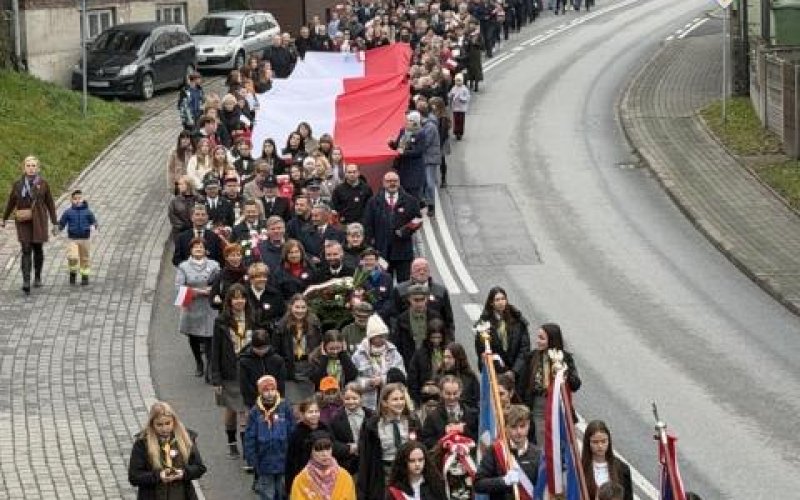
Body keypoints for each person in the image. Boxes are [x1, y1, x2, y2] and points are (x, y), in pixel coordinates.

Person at [1, 155, 58, 294]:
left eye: (33, 166)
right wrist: (4, 218)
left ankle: (37, 276)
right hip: (23, 221)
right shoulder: (18, 184)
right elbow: (11, 202)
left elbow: (50, 203)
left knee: (38, 249)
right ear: (24, 168)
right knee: (26, 249)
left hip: (39, 220)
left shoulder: (43, 183)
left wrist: (55, 222)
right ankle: (26, 281)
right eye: (28, 166)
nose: (31, 168)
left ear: (37, 168)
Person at [516, 323, 581, 445]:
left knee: (563, 443)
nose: (538, 341)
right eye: (538, 337)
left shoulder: (564, 358)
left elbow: (576, 384)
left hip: (559, 407)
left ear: (552, 340)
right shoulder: (531, 357)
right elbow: (521, 385)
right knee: (543, 444)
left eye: (542, 338)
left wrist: (564, 373)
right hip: (539, 407)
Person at [128, 401, 207, 499]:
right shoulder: (142, 443)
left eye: (167, 423)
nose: (164, 428)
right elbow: (134, 476)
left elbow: (199, 468)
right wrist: (158, 476)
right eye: (159, 425)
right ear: (152, 424)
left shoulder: (186, 438)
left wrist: (183, 473)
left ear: (174, 421)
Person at [357, 383, 422, 500]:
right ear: (384, 402)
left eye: (402, 399)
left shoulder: (413, 422)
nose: (400, 402)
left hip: (408, 472)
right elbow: (365, 460)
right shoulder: (371, 425)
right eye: (395, 399)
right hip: (383, 473)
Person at [211, 283, 254, 458]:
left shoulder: (253, 318)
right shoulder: (221, 321)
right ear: (229, 301)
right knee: (231, 410)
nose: (239, 301)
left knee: (244, 410)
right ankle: (231, 442)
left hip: (248, 371)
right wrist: (216, 378)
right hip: (229, 371)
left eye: (242, 297)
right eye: (235, 298)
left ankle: (246, 452)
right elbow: (215, 350)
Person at [362, 171, 422, 283]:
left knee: (404, 286)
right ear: (383, 183)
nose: (392, 183)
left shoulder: (410, 200)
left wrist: (405, 231)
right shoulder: (373, 202)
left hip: (403, 253)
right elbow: (367, 225)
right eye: (389, 181)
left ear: (399, 182)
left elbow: (418, 220)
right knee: (382, 284)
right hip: (381, 252)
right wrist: (370, 246)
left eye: (395, 181)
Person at [244, 375, 296, 500]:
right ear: (261, 392)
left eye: (272, 389)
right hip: (264, 461)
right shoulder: (255, 412)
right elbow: (249, 437)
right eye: (266, 390)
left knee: (282, 491)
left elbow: (292, 431)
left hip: (283, 458)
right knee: (267, 493)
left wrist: (293, 454)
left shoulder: (285, 407)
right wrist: (252, 459)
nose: (270, 393)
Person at [175, 237, 220, 379]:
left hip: (209, 307)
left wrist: (212, 290)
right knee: (193, 337)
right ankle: (199, 363)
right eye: (195, 247)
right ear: (191, 250)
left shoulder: (214, 265)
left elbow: (219, 282)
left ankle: (209, 367)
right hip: (192, 307)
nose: (198, 249)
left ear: (205, 250)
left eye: (201, 247)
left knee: (209, 337)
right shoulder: (183, 266)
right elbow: (179, 288)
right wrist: (200, 292)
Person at [473, 405, 539, 500]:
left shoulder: (538, 454)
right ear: (506, 427)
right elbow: (478, 484)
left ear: (529, 425)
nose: (519, 431)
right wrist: (503, 481)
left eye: (522, 426)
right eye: (513, 427)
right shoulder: (495, 450)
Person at [351, 314, 406, 411]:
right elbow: (353, 381)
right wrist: (369, 383)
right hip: (367, 403)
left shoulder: (393, 352)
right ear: (371, 337)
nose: (383, 339)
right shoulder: (358, 355)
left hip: (391, 401)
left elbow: (402, 374)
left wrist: (383, 380)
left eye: (385, 336)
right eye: (379, 336)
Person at [274, 294, 322, 402]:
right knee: (294, 407)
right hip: (291, 371)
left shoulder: (314, 325)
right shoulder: (281, 327)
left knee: (308, 405)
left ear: (307, 308)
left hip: (308, 370)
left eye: (303, 307)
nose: (300, 311)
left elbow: (319, 346)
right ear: (291, 307)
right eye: (297, 307)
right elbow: (276, 352)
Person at [474, 286, 530, 374]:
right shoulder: (484, 325)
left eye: (503, 299)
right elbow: (482, 350)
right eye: (497, 300)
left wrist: (514, 371)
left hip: (517, 373)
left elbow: (524, 349)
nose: (501, 302)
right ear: (491, 303)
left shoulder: (517, 321)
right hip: (496, 372)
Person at [290, 430, 357, 499]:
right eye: (318, 450)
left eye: (328, 448)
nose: (325, 454)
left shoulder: (345, 477)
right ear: (310, 452)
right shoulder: (301, 481)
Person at [285, 398, 332, 494]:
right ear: (302, 414)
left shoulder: (325, 428)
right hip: (305, 475)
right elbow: (291, 460)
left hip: (324, 475)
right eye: (310, 412)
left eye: (316, 411)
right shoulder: (297, 433)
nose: (314, 415)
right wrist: (290, 485)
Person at [420, 375, 478, 449]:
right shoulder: (432, 417)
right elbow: (426, 442)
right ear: (441, 392)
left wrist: (464, 429)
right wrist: (445, 433)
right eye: (448, 393)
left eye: (455, 393)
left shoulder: (472, 414)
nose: (452, 397)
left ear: (460, 392)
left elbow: (479, 438)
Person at [392, 284, 444, 367]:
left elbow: (443, 339)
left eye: (422, 299)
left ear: (426, 299)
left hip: (431, 361)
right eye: (416, 300)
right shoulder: (402, 319)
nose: (419, 303)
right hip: (409, 361)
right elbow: (397, 343)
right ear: (409, 299)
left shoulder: (435, 317)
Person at [328, 383, 374, 475]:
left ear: (361, 398)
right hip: (347, 465)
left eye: (354, 398)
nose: (351, 401)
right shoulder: (335, 418)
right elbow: (332, 443)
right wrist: (349, 448)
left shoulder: (371, 416)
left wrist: (362, 447)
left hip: (369, 463)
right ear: (342, 398)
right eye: (347, 399)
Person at [581, 420, 633, 500]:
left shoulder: (622, 469)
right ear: (588, 443)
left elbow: (628, 497)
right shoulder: (580, 469)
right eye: (595, 442)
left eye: (603, 441)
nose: (600, 446)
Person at [57, 189, 98, 286]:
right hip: (73, 239)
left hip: (85, 239)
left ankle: (85, 277)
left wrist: (94, 227)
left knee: (85, 258)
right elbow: (62, 223)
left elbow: (94, 222)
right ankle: (73, 273)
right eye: (75, 199)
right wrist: (57, 229)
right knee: (73, 257)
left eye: (79, 198)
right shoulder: (68, 212)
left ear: (83, 199)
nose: (78, 200)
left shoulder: (88, 212)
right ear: (71, 200)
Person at [239, 329, 287, 409]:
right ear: (252, 346)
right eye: (257, 349)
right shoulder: (244, 361)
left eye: (264, 348)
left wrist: (278, 398)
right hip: (253, 401)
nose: (261, 351)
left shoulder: (278, 360)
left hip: (274, 399)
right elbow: (244, 384)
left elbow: (281, 382)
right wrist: (254, 399)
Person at [388, 111, 426, 202]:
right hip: (402, 166)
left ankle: (414, 210)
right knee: (402, 190)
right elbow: (398, 146)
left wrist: (404, 152)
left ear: (415, 122)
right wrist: (392, 144)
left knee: (413, 193)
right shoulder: (403, 131)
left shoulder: (420, 134)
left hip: (414, 168)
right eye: (407, 120)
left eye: (409, 120)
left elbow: (418, 151)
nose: (406, 122)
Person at [244, 262, 285, 331]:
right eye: (258, 276)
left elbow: (281, 316)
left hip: (271, 334)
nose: (262, 279)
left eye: (264, 276)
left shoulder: (275, 294)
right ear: (251, 279)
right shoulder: (244, 294)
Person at [440, 342, 479, 410]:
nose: (445, 361)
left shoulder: (470, 378)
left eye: (449, 357)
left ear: (457, 358)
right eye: (445, 357)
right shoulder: (439, 376)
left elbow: (476, 402)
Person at [210, 243, 247, 309]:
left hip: (246, 311)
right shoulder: (221, 275)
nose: (236, 258)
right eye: (232, 255)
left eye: (238, 255)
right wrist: (216, 300)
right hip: (226, 312)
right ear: (226, 258)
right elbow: (214, 295)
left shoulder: (248, 273)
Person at [168, 175, 200, 241]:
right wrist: (183, 226)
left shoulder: (198, 199)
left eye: (182, 184)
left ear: (188, 185)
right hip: (180, 233)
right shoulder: (174, 201)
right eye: (179, 184)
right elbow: (172, 216)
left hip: (196, 232)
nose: (179, 186)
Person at [448, 73, 470, 141]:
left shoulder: (464, 89)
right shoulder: (454, 88)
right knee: (456, 120)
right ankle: (456, 132)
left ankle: (460, 132)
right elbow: (450, 95)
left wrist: (462, 98)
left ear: (462, 81)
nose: (458, 82)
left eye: (459, 80)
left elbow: (467, 97)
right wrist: (450, 96)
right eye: (457, 81)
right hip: (455, 107)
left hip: (462, 108)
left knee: (461, 121)